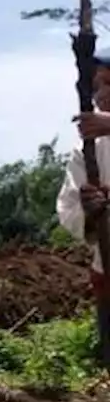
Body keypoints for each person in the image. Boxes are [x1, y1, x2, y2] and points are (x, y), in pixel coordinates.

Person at [56, 44, 110, 359]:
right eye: (96, 87)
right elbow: (70, 208)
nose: (101, 94)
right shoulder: (86, 151)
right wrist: (91, 213)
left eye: (109, 83)